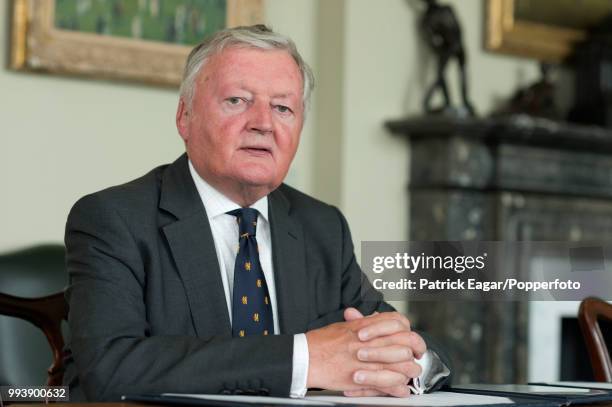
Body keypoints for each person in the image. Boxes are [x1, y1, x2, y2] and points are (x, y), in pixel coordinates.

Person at [63, 24, 451, 402]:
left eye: (283, 107)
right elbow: (110, 368)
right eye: (237, 101)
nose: (263, 123)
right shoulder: (113, 219)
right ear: (185, 116)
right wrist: (304, 359)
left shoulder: (322, 227)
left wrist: (408, 362)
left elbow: (401, 341)